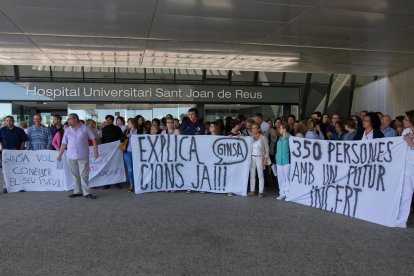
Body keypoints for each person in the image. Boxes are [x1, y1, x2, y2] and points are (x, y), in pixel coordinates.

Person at [57, 113, 98, 199]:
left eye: (69, 119)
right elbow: (64, 143)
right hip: (71, 156)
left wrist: (95, 152)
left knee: (84, 175)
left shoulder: (85, 128)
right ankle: (77, 191)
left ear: (75, 119)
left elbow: (93, 139)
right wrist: (60, 154)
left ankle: (86, 193)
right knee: (75, 175)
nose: (68, 121)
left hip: (83, 155)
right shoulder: (67, 130)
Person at [0, 116, 29, 193]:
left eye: (10, 120)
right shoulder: (2, 130)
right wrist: (2, 150)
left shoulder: (19, 130)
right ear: (5, 122)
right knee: (6, 170)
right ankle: (6, 186)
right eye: (7, 121)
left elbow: (23, 141)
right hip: (6, 152)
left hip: (17, 152)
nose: (8, 122)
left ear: (13, 121)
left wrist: (20, 150)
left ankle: (19, 187)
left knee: (18, 170)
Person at [396, 110, 414, 228]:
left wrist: (411, 143)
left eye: (406, 119)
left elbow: (408, 143)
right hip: (407, 168)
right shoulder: (406, 131)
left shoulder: (407, 135)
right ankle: (402, 221)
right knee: (405, 195)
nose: (403, 121)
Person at [248, 123, 271, 198]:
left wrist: (265, 159)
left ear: (259, 129)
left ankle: (261, 191)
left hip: (260, 157)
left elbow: (267, 150)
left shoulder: (263, 138)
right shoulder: (250, 138)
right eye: (252, 128)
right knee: (252, 174)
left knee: (260, 175)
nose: (253, 130)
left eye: (255, 128)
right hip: (252, 158)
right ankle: (252, 190)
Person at [101, 115, 123, 189]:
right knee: (107, 166)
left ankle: (117, 182)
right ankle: (107, 183)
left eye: (109, 119)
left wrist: (118, 143)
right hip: (107, 151)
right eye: (106, 119)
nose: (107, 121)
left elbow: (121, 137)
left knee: (116, 165)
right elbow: (102, 140)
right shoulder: (103, 129)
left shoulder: (117, 128)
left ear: (112, 120)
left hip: (116, 150)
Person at [121, 118, 138, 193]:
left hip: (137, 153)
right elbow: (121, 140)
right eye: (128, 123)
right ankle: (131, 184)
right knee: (130, 169)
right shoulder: (127, 131)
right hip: (127, 152)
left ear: (133, 123)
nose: (128, 125)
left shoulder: (139, 130)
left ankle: (137, 183)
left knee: (137, 168)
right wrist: (126, 136)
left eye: (129, 123)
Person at [275, 122, 291, 200]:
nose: (279, 129)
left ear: (284, 129)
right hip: (279, 161)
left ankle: (288, 193)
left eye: (280, 128)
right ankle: (282, 193)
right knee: (280, 177)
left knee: (287, 177)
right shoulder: (279, 138)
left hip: (287, 160)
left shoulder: (290, 137)